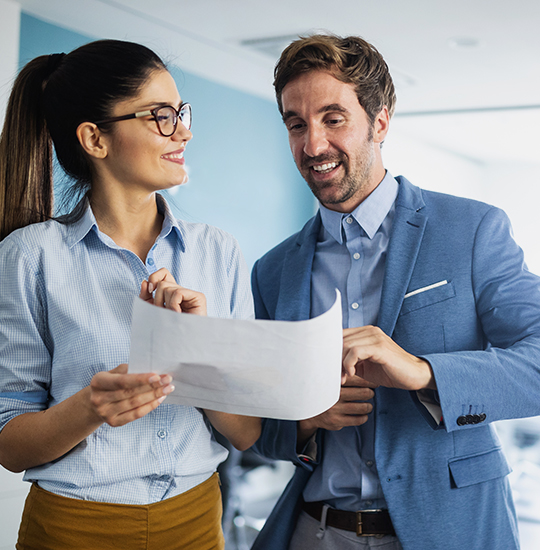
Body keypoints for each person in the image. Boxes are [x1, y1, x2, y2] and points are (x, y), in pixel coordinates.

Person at [250, 34, 540, 550]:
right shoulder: (272, 271)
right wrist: (304, 422)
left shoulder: (472, 230)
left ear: (380, 121)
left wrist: (424, 373)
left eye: (333, 118)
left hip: (449, 531)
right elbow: (266, 430)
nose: (312, 145)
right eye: (296, 124)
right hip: (314, 532)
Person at [0, 39, 260, 550]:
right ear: (95, 139)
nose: (183, 130)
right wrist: (90, 407)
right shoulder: (30, 256)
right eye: (160, 115)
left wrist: (196, 349)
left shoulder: (218, 251)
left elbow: (248, 432)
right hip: (73, 531)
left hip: (197, 525)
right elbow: (10, 445)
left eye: (181, 112)